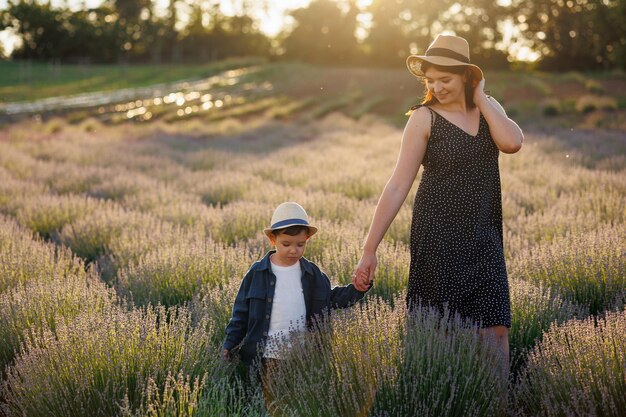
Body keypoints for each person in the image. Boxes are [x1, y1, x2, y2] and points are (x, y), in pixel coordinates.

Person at [352, 34, 523, 366]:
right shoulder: (423, 118)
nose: (437, 86)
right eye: (431, 80)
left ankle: (496, 405)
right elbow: (398, 185)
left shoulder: (489, 108)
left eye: (445, 79)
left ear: (466, 76)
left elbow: (513, 143)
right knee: (440, 333)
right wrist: (369, 250)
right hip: (438, 239)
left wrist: (482, 99)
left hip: (484, 238)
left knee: (496, 331)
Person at [223, 201, 370, 367]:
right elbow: (240, 313)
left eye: (300, 244)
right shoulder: (257, 273)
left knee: (294, 391)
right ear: (273, 239)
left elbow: (331, 298)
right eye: (286, 244)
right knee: (269, 392)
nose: (294, 250)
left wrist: (357, 289)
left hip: (301, 357)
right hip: (264, 355)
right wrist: (229, 343)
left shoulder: (311, 273)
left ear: (307, 239)